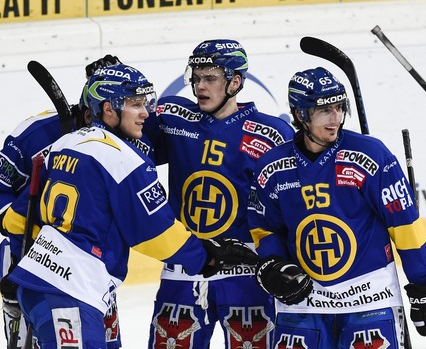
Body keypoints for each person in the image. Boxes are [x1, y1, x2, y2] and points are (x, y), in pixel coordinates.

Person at [1, 63, 258, 347]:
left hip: (36, 283)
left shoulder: (64, 145)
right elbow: (155, 234)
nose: (146, 114)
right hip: (72, 290)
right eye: (136, 105)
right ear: (109, 109)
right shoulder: (125, 160)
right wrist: (206, 256)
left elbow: (14, 219)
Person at [248, 67, 426, 348]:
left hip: (370, 299)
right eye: (324, 111)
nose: (335, 119)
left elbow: (405, 225)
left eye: (340, 108)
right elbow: (263, 227)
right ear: (300, 114)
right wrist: (273, 265)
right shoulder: (272, 166)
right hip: (304, 303)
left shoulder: (371, 155)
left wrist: (424, 285)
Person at [144, 39, 294, 349]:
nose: (200, 86)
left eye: (210, 77)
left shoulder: (271, 134)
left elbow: (292, 203)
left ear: (235, 82)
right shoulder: (173, 118)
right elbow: (128, 145)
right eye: (197, 77)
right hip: (186, 266)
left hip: (247, 270)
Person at [0, 55, 130, 349]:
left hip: (91, 273)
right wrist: (28, 229)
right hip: (29, 260)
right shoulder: (36, 133)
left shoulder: (127, 135)